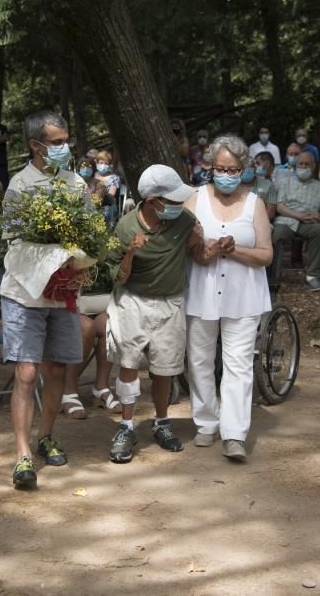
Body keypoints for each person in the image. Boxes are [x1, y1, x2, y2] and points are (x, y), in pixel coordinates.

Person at [0, 111, 86, 489]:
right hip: (24, 292)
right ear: (35, 146)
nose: (63, 148)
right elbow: (13, 242)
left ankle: (46, 436)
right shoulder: (19, 186)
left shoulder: (77, 184)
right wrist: (51, 259)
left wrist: (79, 262)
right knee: (26, 372)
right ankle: (22, 455)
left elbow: (88, 235)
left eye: (65, 141)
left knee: (55, 371)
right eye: (55, 142)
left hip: (63, 293)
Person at [105, 164, 203, 463]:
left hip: (170, 301)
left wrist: (199, 241)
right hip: (131, 301)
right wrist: (132, 252)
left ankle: (162, 421)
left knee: (165, 368)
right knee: (129, 364)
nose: (178, 205)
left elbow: (195, 247)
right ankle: (126, 425)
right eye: (171, 201)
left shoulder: (184, 220)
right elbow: (118, 278)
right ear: (152, 200)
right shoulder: (124, 227)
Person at [184, 135, 273, 461]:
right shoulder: (195, 199)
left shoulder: (255, 204)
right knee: (200, 361)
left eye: (233, 169)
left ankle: (234, 433)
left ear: (243, 170)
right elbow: (188, 249)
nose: (226, 174)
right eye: (221, 168)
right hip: (203, 291)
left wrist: (235, 251)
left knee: (237, 365)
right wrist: (205, 252)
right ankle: (206, 422)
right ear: (210, 166)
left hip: (243, 296)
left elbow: (266, 255)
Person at [273, 153, 320, 291]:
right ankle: (272, 273)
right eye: (301, 164)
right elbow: (280, 207)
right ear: (296, 165)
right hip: (287, 220)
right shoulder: (285, 182)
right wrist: (298, 215)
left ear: (313, 166)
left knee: (319, 230)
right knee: (278, 233)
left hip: (310, 222)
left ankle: (312, 276)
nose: (303, 167)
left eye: (307, 164)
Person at [93, 150, 120, 224]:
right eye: (101, 163)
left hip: (107, 205)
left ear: (109, 165)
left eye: (106, 163)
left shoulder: (114, 178)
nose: (103, 165)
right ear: (97, 163)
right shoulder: (92, 176)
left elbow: (111, 195)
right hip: (91, 204)